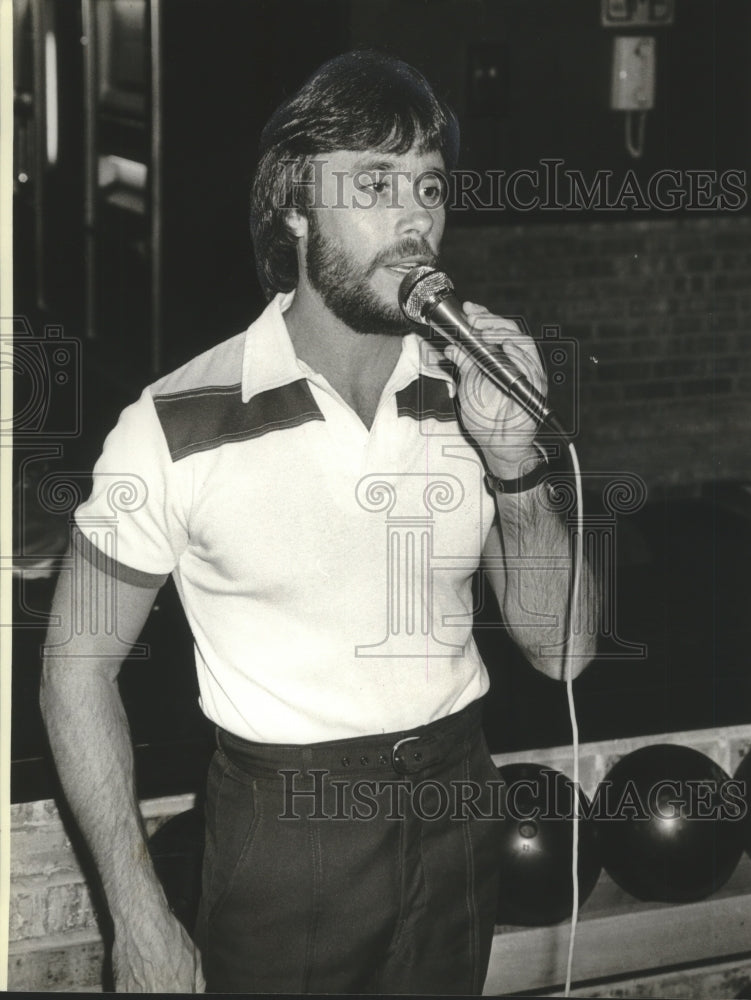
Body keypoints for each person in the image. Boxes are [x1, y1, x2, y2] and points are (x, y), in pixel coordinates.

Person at [41, 51, 597, 994]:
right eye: (375, 184)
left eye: (428, 185)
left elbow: (564, 653)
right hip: (285, 832)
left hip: (460, 802)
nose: (416, 216)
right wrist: (133, 912)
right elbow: (74, 666)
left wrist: (515, 464)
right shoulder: (172, 421)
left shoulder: (469, 398)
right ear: (295, 210)